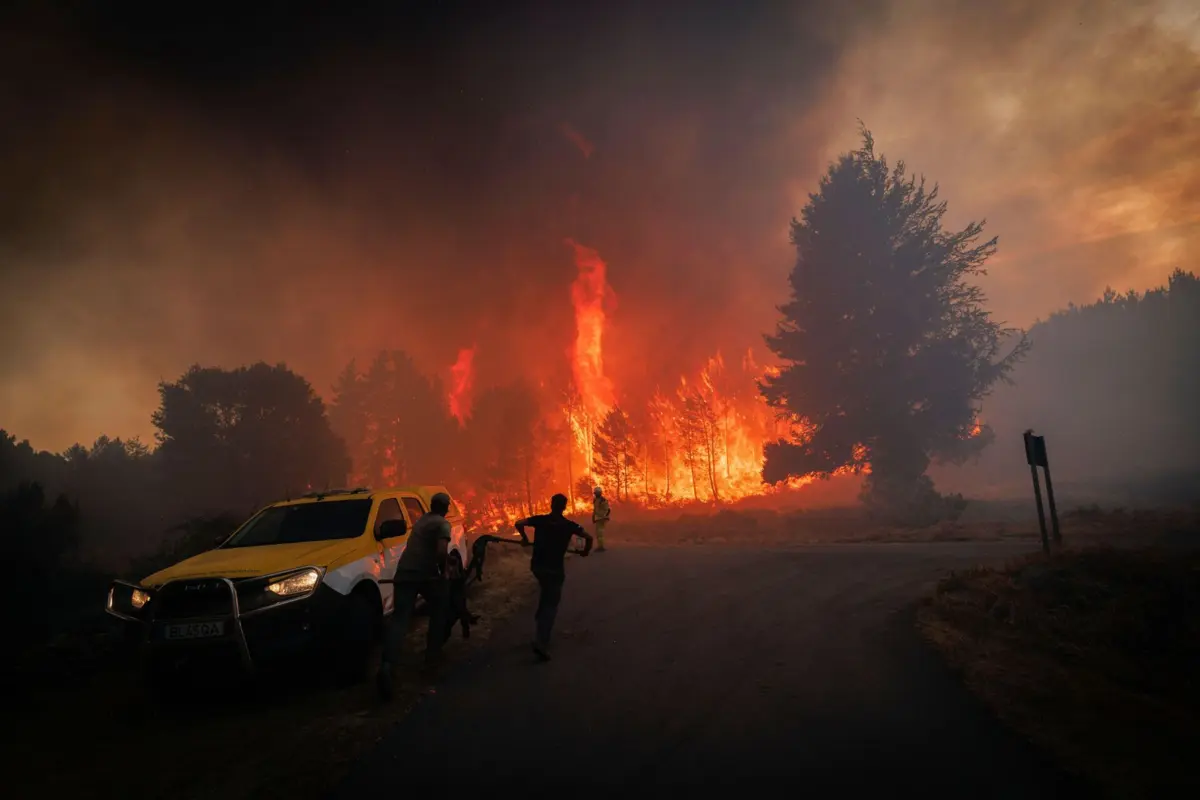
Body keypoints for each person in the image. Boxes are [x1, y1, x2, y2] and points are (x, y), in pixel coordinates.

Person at [376, 492, 452, 701]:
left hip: (405, 573)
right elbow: (441, 552)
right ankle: (432, 660)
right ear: (445, 507)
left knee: (400, 619)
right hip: (425, 575)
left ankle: (387, 666)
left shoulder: (422, 520)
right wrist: (444, 571)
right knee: (440, 609)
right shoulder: (442, 524)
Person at [515, 493, 593, 661]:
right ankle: (541, 642)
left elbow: (519, 523)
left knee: (546, 593)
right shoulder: (568, 525)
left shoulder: (540, 520)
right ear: (564, 507)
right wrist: (585, 551)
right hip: (555, 570)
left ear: (551, 504)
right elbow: (588, 537)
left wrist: (524, 538)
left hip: (538, 567)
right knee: (551, 604)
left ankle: (540, 622)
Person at [591, 485, 611, 552]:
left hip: (602, 518)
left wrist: (604, 517)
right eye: (595, 493)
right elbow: (595, 510)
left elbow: (608, 510)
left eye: (596, 493)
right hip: (598, 518)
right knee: (598, 533)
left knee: (600, 533)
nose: (595, 494)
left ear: (599, 493)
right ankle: (600, 546)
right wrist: (593, 517)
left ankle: (601, 547)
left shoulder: (603, 500)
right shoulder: (595, 500)